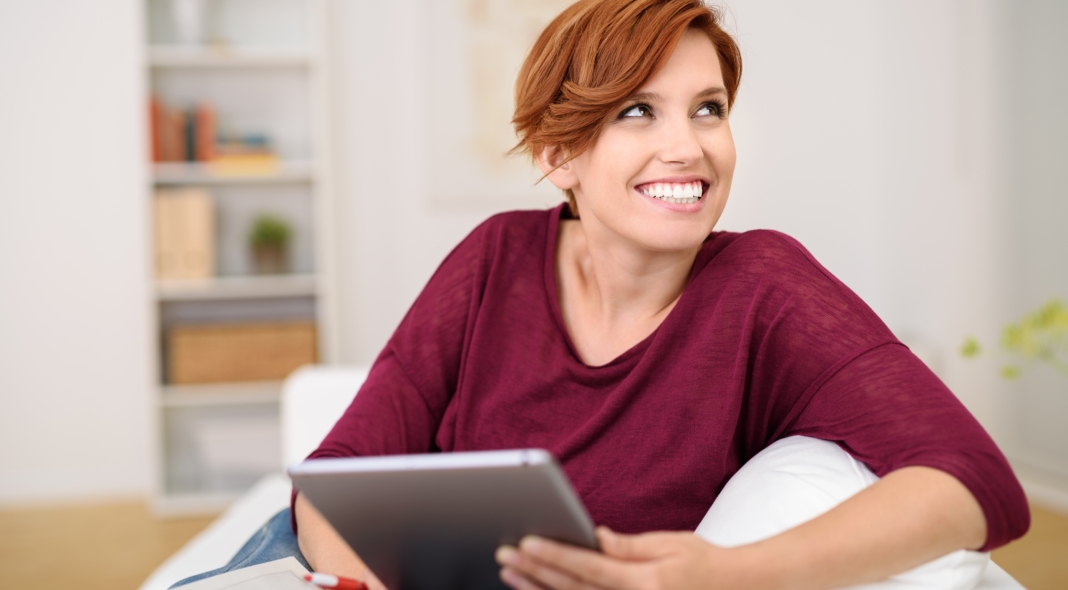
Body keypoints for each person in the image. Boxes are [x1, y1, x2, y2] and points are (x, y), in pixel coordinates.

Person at [174, 1, 1029, 589]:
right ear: (558, 156)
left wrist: (723, 573)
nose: (688, 148)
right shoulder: (495, 259)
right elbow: (336, 479)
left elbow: (977, 484)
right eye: (635, 113)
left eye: (708, 108)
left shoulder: (766, 288)